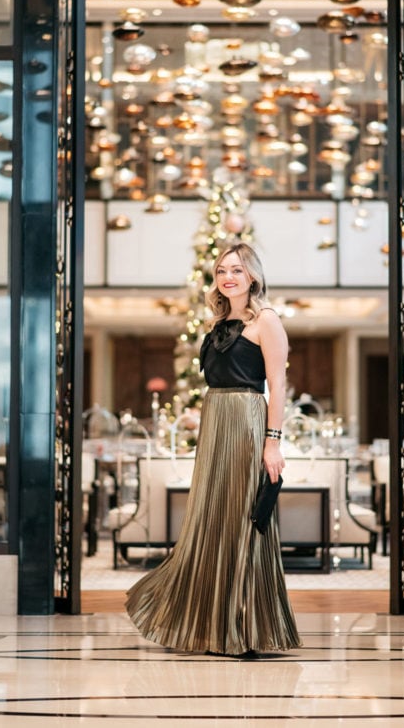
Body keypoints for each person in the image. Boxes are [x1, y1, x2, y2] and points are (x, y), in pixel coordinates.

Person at [125, 242, 301, 656]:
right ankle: (207, 622)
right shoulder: (218, 321)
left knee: (241, 518)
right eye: (222, 270)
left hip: (245, 421)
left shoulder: (267, 320)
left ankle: (241, 627)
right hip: (216, 420)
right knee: (210, 518)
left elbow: (278, 387)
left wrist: (272, 443)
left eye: (237, 270)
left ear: (252, 276)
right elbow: (216, 379)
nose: (228, 277)